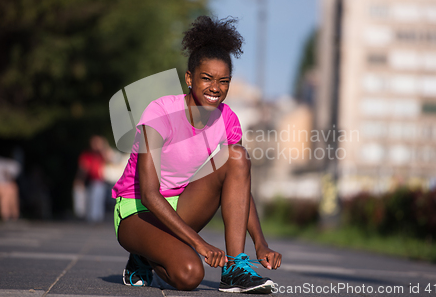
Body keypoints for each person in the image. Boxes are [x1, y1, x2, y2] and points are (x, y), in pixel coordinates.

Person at [112, 16, 281, 293]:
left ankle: (235, 268)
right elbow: (149, 194)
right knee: (190, 275)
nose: (215, 88)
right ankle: (143, 254)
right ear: (189, 78)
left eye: (223, 81)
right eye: (207, 78)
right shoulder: (160, 113)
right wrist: (198, 244)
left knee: (237, 157)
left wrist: (260, 242)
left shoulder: (228, 119)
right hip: (137, 211)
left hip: (182, 205)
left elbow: (239, 185)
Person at [74, 135, 112, 223]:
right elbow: (82, 169)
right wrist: (80, 180)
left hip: (99, 181)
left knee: (97, 199)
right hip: (89, 181)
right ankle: (90, 217)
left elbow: (110, 160)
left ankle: (96, 218)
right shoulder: (87, 155)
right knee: (88, 199)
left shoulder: (102, 154)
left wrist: (103, 147)